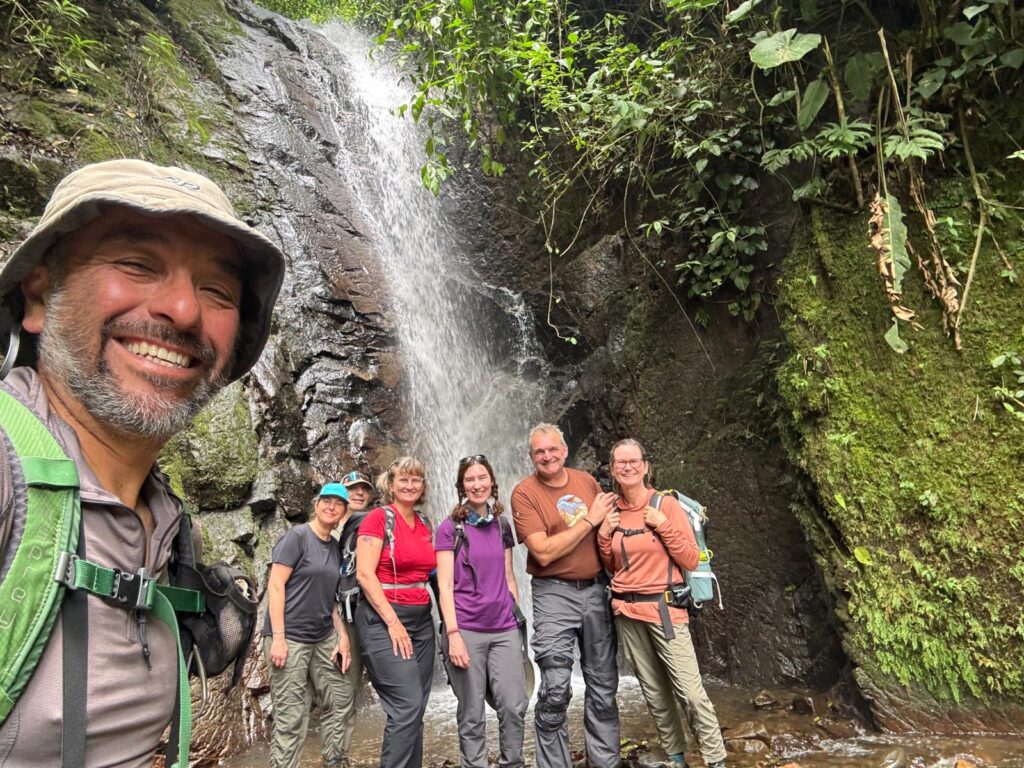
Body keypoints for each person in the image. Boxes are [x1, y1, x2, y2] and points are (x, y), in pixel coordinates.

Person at [0, 158, 285, 766]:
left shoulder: (167, 525)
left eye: (217, 291)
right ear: (39, 294)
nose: (183, 309)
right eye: (136, 264)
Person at [596, 439, 727, 768]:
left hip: (665, 609)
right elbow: (612, 566)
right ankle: (676, 758)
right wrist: (602, 536)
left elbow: (691, 559)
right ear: (612, 469)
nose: (628, 467)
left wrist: (664, 526)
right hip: (627, 613)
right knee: (655, 693)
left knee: (691, 693)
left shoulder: (664, 505)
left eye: (634, 461)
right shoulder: (611, 512)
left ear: (645, 466)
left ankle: (716, 760)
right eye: (621, 462)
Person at [510, 423, 621, 768]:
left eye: (552, 449)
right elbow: (543, 552)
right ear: (531, 456)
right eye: (539, 451)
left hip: (596, 589)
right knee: (556, 686)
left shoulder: (586, 481)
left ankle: (604, 761)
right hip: (553, 593)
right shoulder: (524, 493)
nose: (547, 456)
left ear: (564, 450)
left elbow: (608, 530)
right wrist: (589, 521)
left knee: (603, 684)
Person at [436, 454, 528, 768]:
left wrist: (514, 618)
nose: (477, 485)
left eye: (482, 478)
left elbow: (509, 576)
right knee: (472, 712)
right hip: (466, 629)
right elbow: (444, 586)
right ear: (462, 485)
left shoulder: (502, 524)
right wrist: (453, 635)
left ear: (491, 481)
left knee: (514, 705)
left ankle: (512, 762)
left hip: (504, 628)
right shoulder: (450, 528)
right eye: (470, 479)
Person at [264, 483, 353, 768]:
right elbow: (276, 585)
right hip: (290, 636)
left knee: (340, 699)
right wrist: (278, 638)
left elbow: (332, 601)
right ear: (316, 505)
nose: (331, 507)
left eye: (338, 504)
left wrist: (343, 637)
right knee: (291, 716)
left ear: (344, 512)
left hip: (323, 635)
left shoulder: (336, 548)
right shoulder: (297, 537)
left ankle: (334, 761)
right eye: (326, 501)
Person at [354, 457, 436, 768]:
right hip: (383, 618)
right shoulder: (377, 519)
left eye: (416, 480)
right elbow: (364, 574)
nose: (409, 485)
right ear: (390, 484)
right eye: (403, 479)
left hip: (422, 620)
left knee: (417, 707)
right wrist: (393, 622)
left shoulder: (425, 523)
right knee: (407, 704)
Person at [332, 469, 377, 757]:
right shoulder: (327, 529)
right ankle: (337, 756)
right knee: (342, 688)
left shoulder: (375, 524)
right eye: (352, 488)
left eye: (364, 489)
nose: (359, 493)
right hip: (338, 618)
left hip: (368, 613)